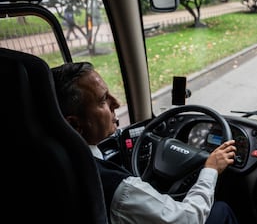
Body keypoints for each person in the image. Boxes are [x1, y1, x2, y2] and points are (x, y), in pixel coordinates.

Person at [51, 61, 239, 224]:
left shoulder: (52, 158)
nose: (116, 103)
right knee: (221, 210)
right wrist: (210, 169)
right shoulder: (119, 188)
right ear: (75, 124)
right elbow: (187, 219)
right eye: (103, 100)